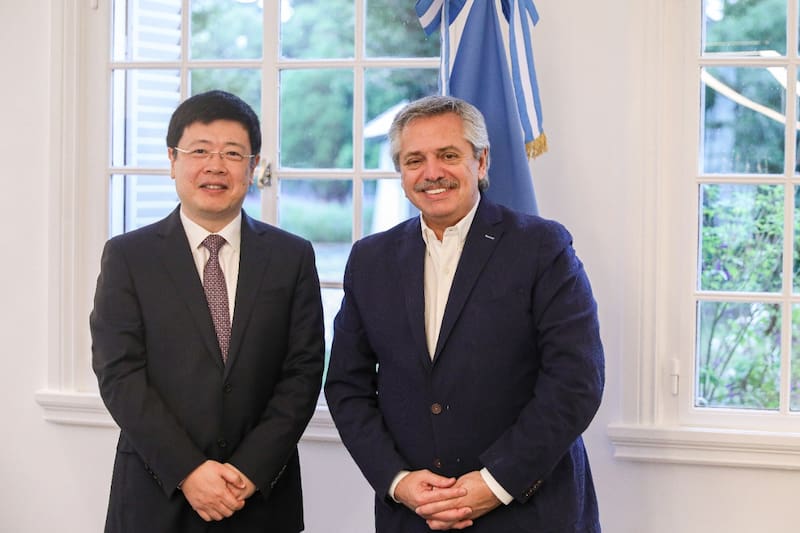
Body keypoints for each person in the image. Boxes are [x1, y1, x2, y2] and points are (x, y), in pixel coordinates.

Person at [324, 95, 605, 532]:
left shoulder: (542, 248)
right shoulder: (370, 260)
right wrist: (398, 481)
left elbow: (576, 382)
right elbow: (346, 385)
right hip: (414, 515)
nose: (432, 172)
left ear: (482, 160)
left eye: (449, 155)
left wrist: (494, 484)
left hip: (528, 512)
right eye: (414, 159)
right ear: (400, 172)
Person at [91, 90, 325, 532]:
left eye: (233, 153)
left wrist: (249, 471)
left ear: (253, 167)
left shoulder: (291, 257)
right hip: (156, 493)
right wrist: (189, 471)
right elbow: (118, 372)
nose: (215, 166)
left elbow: (304, 370)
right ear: (172, 160)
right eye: (199, 151)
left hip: (259, 497)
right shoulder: (128, 256)